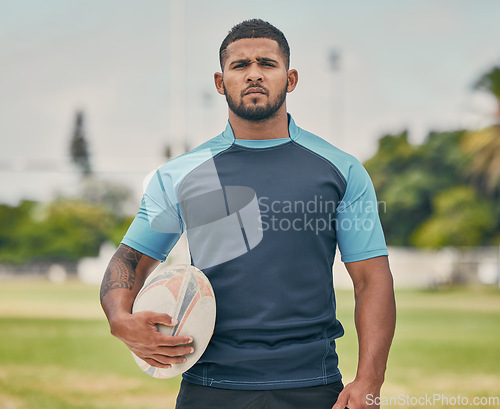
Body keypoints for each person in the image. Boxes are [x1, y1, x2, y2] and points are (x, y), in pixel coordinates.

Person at [100, 19, 396, 409]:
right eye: (240, 65)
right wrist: (119, 318)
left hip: (313, 384)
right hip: (209, 384)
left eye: (266, 64)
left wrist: (370, 379)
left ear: (290, 79)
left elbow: (371, 280)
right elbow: (130, 261)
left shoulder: (341, 170)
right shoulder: (180, 174)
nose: (254, 74)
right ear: (221, 83)